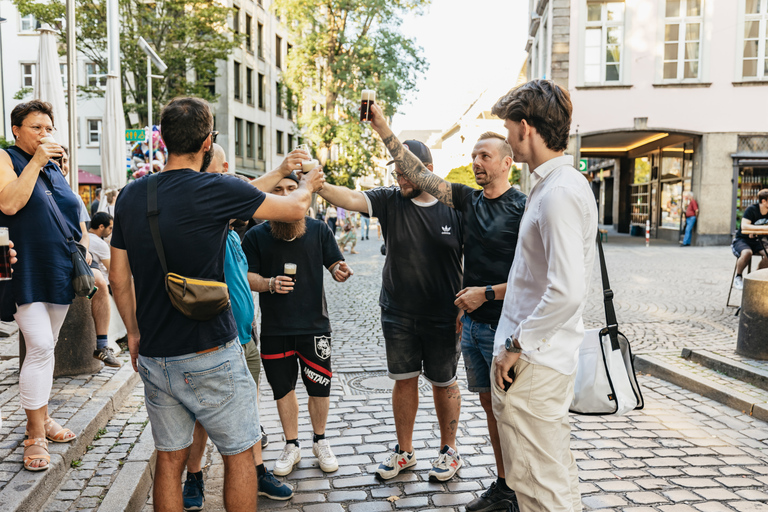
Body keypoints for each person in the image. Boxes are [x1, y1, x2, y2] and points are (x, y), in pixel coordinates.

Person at [109, 97, 325, 512]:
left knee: (170, 460)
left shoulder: (132, 196)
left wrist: (133, 333)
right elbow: (295, 206)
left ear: (162, 138)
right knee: (240, 452)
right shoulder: (215, 189)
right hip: (211, 349)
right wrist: (308, 182)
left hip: (156, 353)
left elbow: (119, 278)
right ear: (208, 142)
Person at [368, 105, 526, 510]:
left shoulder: (525, 207)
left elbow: (538, 278)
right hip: (474, 327)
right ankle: (505, 487)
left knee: (517, 413)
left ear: (507, 163)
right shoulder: (467, 201)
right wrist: (381, 125)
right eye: (472, 156)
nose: (475, 162)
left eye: (484, 155)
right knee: (491, 409)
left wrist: (484, 294)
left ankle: (524, 490)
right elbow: (417, 173)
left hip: (508, 328)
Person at [318, 139, 465, 482]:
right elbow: (351, 198)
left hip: (443, 313)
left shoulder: (455, 206)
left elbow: (471, 257)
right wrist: (318, 184)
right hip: (397, 312)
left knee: (445, 383)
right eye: (396, 173)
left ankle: (449, 450)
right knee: (404, 381)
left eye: (406, 174)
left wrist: (466, 304)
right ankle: (405, 452)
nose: (400, 180)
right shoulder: (390, 199)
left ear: (427, 171)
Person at [491, 79, 597, 512]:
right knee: (543, 477)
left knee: (539, 484)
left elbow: (567, 291)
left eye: (508, 126)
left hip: (535, 363)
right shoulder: (554, 185)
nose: (506, 137)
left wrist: (517, 345)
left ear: (527, 126)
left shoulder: (558, 192)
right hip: (539, 360)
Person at [181, 143, 297, 510]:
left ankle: (259, 470)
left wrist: (264, 284)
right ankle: (194, 477)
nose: (228, 171)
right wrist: (282, 172)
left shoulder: (232, 231)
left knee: (248, 412)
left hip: (246, 336)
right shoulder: (206, 217)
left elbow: (243, 277)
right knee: (203, 415)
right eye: (221, 166)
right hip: (219, 339)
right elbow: (252, 192)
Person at [242, 172, 353, 478]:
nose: (288, 194)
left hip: (314, 326)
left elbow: (334, 264)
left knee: (320, 387)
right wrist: (268, 283)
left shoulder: (318, 230)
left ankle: (320, 441)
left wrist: (339, 270)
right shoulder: (256, 236)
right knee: (282, 389)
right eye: (279, 190)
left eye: (293, 189)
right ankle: (292, 444)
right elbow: (246, 276)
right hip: (276, 329)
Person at [0, 100, 83, 471]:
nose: (44, 134)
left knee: (45, 350)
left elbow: (72, 214)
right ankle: (34, 434)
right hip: (25, 267)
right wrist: (35, 161)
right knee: (40, 346)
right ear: (16, 129)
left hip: (60, 267)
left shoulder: (54, 168)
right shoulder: (7, 158)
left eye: (48, 129)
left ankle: (44, 418)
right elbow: (9, 204)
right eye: (36, 128)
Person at [87, 212, 121, 367]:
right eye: (110, 228)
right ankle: (106, 343)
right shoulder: (100, 244)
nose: (111, 231)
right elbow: (113, 269)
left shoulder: (88, 239)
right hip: (103, 285)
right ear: (101, 227)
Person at [732, 188, 768, 290]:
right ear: (764, 201)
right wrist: (763, 228)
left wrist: (755, 229)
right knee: (747, 252)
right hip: (742, 240)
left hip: (759, 241)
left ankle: (755, 276)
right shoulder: (752, 209)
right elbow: (744, 226)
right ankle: (738, 276)